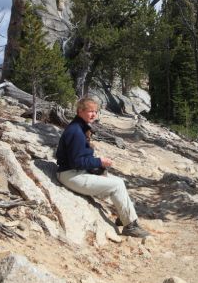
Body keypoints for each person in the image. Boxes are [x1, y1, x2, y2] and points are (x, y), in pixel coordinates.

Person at [56, 97, 149, 238]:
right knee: (117, 185)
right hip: (71, 175)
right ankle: (130, 226)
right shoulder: (76, 131)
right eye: (90, 111)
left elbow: (79, 158)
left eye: (95, 111)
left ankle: (124, 217)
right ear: (80, 111)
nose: (93, 114)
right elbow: (76, 162)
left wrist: (96, 164)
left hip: (75, 172)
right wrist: (99, 162)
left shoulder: (79, 126)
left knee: (118, 181)